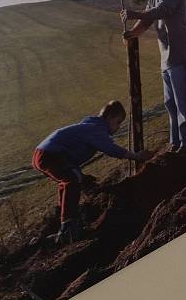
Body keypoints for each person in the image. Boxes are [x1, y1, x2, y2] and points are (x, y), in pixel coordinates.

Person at [31, 101, 151, 242]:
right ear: (109, 117)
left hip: (43, 154)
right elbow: (111, 149)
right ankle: (69, 226)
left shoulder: (89, 125)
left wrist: (82, 176)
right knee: (72, 180)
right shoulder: (96, 129)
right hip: (50, 155)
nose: (118, 127)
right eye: (118, 122)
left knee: (70, 180)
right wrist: (136, 156)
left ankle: (67, 223)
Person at [122, 0, 186, 156]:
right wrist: (132, 34)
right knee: (170, 103)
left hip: (179, 52)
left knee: (182, 101)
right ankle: (175, 141)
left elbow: (163, 10)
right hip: (165, 57)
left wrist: (134, 13)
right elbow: (146, 21)